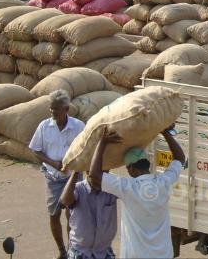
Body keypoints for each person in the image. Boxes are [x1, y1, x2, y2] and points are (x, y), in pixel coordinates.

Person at [90, 126, 186, 259]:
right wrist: (165, 132)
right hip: (163, 255)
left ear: (132, 170)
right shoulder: (163, 182)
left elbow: (94, 175)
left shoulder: (127, 187)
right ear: (148, 164)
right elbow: (180, 158)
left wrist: (102, 142)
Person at [29, 90, 86, 259]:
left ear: (66, 109)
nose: (53, 112)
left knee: (72, 215)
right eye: (51, 108)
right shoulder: (44, 126)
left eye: (56, 109)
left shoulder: (78, 126)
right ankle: (61, 250)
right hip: (53, 178)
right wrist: (53, 163)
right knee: (54, 214)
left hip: (73, 177)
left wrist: (76, 166)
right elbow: (35, 150)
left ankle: (72, 250)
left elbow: (86, 149)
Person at [60, 169, 118, 259]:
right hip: (80, 251)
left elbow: (131, 187)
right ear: (87, 172)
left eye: (105, 174)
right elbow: (65, 201)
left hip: (104, 251)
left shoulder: (111, 189)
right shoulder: (78, 188)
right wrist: (76, 171)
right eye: (98, 174)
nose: (101, 178)